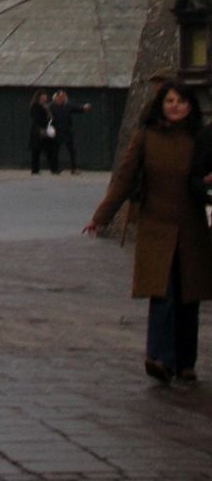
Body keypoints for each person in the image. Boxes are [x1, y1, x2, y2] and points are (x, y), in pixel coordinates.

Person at [85, 79, 212, 385]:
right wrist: (102, 216)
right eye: (169, 101)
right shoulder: (146, 137)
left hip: (193, 228)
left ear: (190, 106)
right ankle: (160, 359)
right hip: (157, 227)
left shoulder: (201, 138)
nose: (175, 107)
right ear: (160, 105)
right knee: (162, 294)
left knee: (188, 298)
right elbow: (124, 179)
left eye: (181, 101)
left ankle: (185, 362)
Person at [50, 90, 91, 174]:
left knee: (72, 151)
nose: (63, 99)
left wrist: (84, 107)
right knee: (54, 151)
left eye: (64, 97)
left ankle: (74, 168)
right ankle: (54, 169)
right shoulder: (51, 107)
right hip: (55, 131)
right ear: (56, 97)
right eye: (61, 97)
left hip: (67, 131)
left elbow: (79, 108)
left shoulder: (68, 106)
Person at [29, 91, 57, 174]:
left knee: (49, 149)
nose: (46, 97)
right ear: (40, 96)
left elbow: (50, 117)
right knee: (36, 150)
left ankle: (53, 169)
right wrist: (40, 129)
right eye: (44, 96)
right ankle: (35, 169)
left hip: (46, 127)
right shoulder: (35, 105)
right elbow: (36, 118)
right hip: (38, 129)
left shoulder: (45, 106)